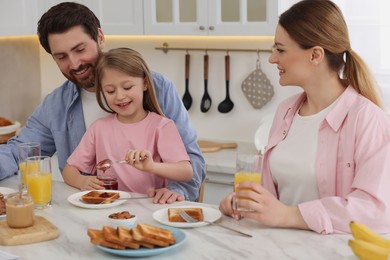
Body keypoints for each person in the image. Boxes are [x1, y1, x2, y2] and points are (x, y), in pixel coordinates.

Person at [0, 2, 205, 203]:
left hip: (155, 209)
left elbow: (191, 161)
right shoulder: (55, 105)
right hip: (93, 212)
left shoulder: (157, 86)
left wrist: (176, 191)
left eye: (80, 49)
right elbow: (18, 152)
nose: (74, 64)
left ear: (100, 37)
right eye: (61, 56)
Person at [219, 0, 390, 234]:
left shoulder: (366, 119)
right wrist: (246, 203)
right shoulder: (285, 112)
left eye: (280, 49)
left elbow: (376, 212)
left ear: (315, 55)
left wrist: (289, 215)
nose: (272, 58)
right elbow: (274, 198)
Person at [63, 48, 193, 193]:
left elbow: (186, 172)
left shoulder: (161, 126)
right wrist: (82, 181)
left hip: (150, 209)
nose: (119, 96)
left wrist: (152, 167)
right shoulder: (99, 128)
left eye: (127, 87)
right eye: (110, 91)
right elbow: (69, 170)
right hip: (108, 210)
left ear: (144, 84)